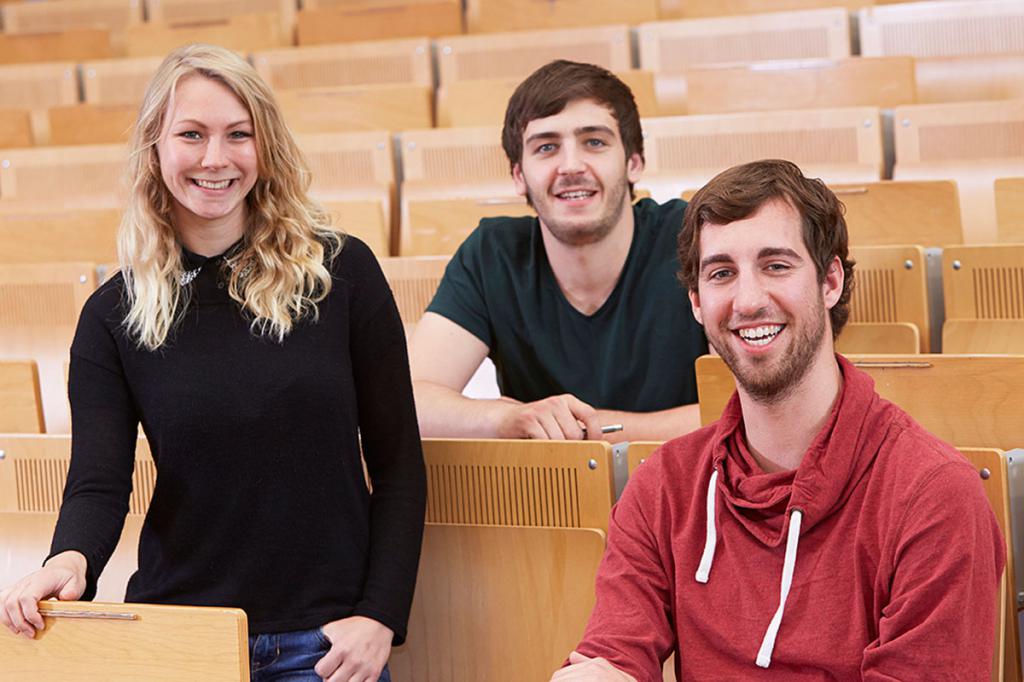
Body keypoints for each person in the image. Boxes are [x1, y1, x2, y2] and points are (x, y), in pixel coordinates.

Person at [0, 44, 425, 682]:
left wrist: (379, 616)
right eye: (191, 135)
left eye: (238, 135)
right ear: (156, 148)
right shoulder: (111, 315)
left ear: (266, 148)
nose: (215, 159)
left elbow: (398, 464)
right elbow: (99, 483)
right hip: (179, 638)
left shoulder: (344, 273)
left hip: (326, 644)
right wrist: (69, 560)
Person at [554, 159, 1005, 680]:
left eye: (776, 265)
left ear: (830, 280)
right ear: (697, 303)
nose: (747, 300)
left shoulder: (934, 496)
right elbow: (613, 655)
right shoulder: (663, 486)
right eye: (722, 273)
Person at [409, 60, 708, 443]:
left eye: (594, 142)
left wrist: (580, 431)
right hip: (546, 496)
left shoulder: (693, 239)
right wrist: (507, 419)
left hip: (680, 492)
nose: (571, 166)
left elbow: (748, 409)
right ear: (519, 175)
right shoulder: (492, 254)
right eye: (547, 147)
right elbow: (409, 401)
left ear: (634, 162)